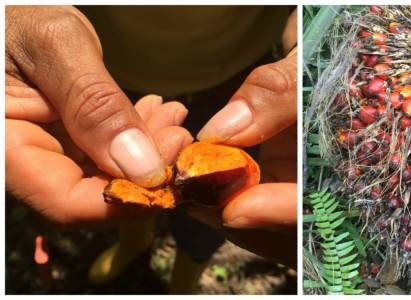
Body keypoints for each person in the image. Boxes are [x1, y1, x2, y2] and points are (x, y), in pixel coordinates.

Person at [5, 5, 297, 293]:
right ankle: (134, 245)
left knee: (208, 224)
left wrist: (309, 49)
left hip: (235, 86)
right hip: (102, 71)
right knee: (121, 188)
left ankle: (183, 285)